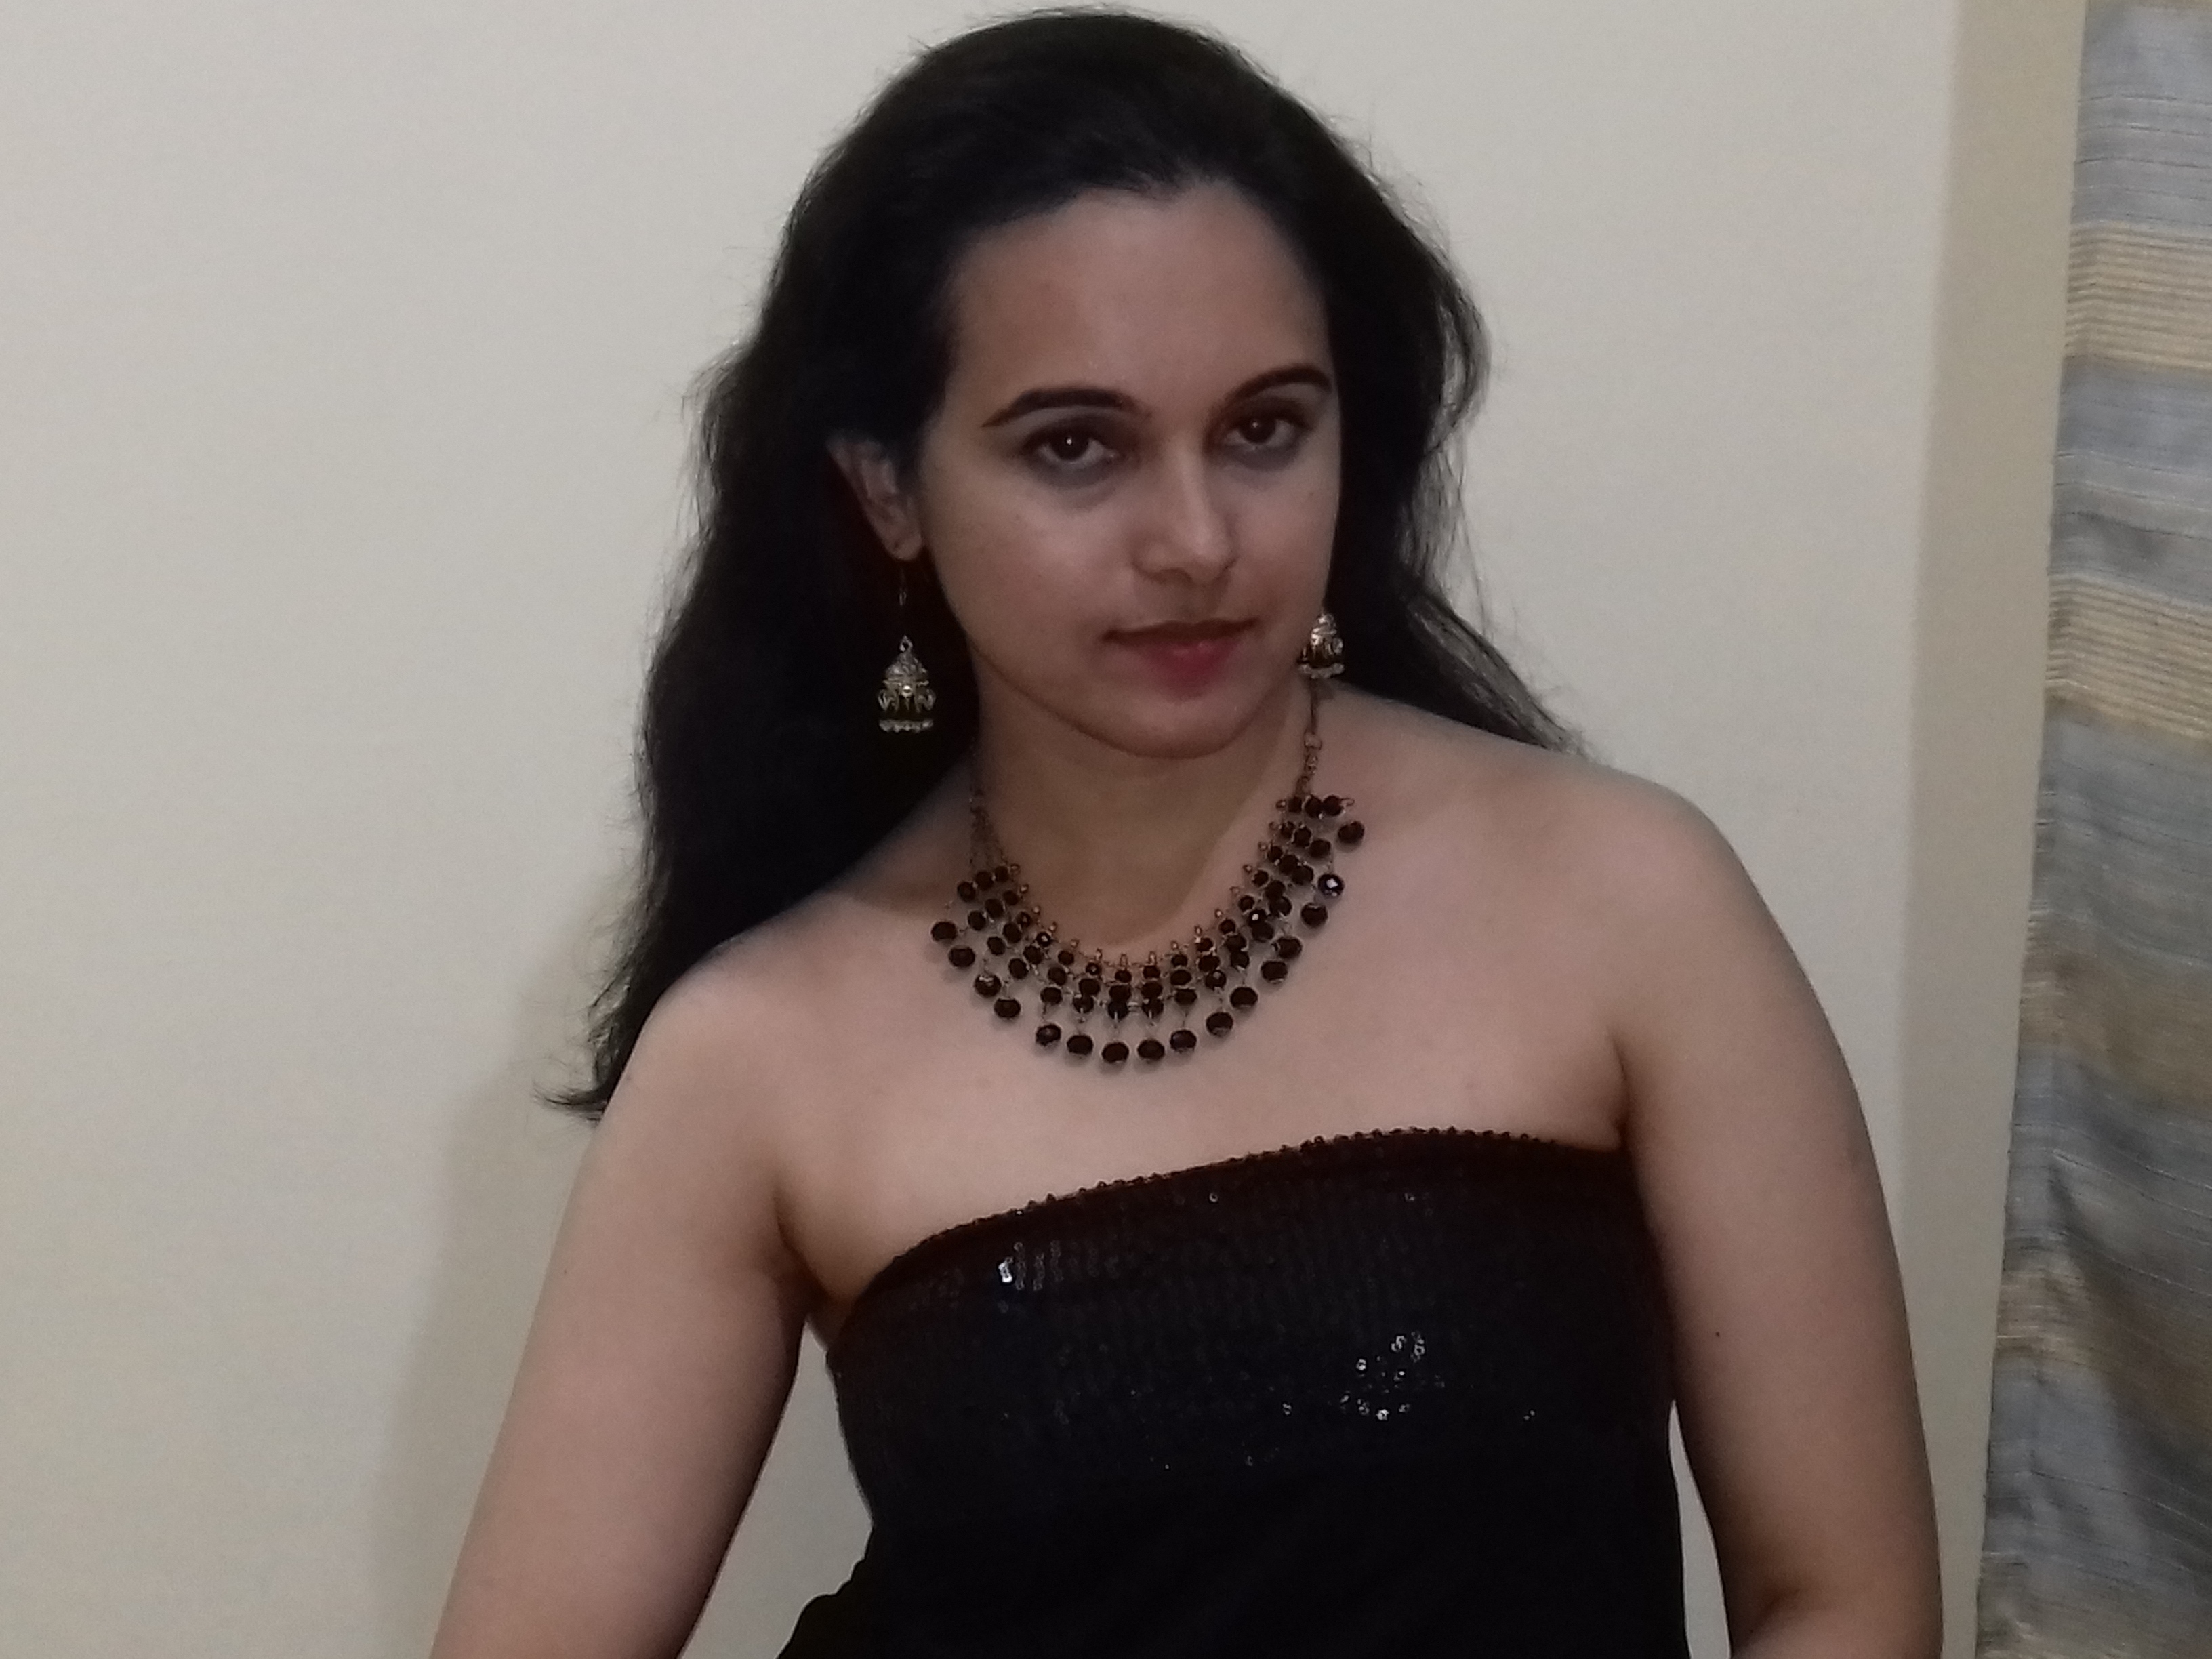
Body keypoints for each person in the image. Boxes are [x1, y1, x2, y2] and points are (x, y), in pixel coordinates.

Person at [429, 11, 1941, 1656]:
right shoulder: (760, 1053)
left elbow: (1845, 1601)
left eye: (1264, 429)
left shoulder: (1624, 903)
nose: (1197, 539)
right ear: (888, 490)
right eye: (1076, 448)